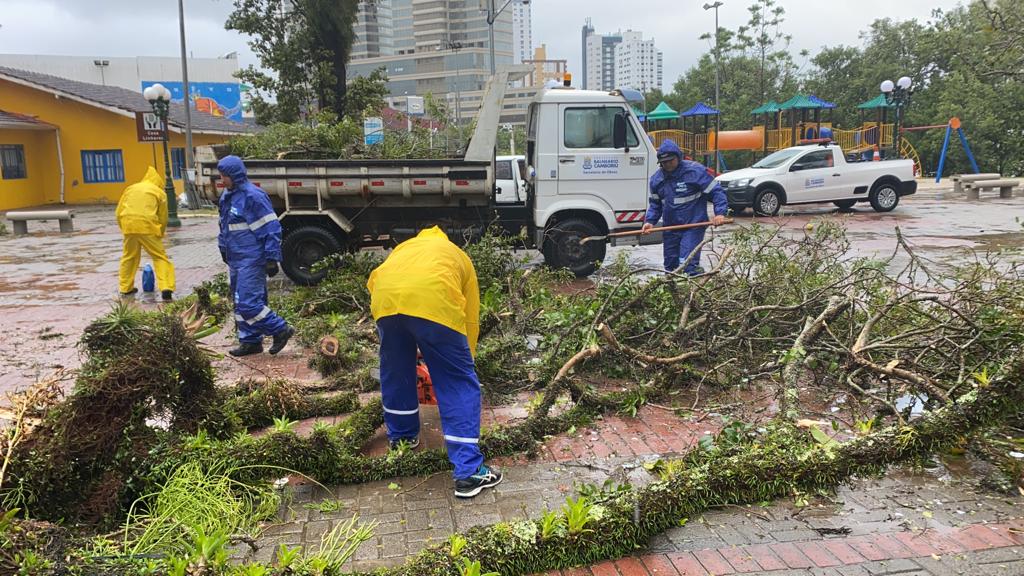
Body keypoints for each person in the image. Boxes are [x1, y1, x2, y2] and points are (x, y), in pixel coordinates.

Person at [366, 226, 502, 499]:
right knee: (457, 381)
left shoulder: (405, 249)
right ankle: (468, 472)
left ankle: (402, 439)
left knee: (395, 370)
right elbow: (470, 317)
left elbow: (374, 282)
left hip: (385, 301)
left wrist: (405, 333)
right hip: (434, 301)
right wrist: (465, 360)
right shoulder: (457, 254)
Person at [216, 155, 295, 357]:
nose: (221, 180)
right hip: (237, 258)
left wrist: (271, 257)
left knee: (248, 303)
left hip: (252, 259)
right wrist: (223, 248)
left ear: (234, 175)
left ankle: (280, 329)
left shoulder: (253, 197)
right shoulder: (228, 196)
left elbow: (270, 227)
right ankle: (250, 341)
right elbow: (224, 226)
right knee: (240, 302)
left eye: (224, 176)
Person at [641, 140, 728, 275]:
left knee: (687, 263)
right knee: (671, 267)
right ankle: (673, 293)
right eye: (664, 162)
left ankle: (693, 287)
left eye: (671, 160)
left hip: (693, 226)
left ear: (678, 157)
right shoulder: (656, 180)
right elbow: (655, 205)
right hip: (670, 228)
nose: (668, 164)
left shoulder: (695, 171)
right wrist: (649, 222)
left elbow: (716, 191)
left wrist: (720, 213)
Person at [117, 166, 176, 301]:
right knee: (159, 257)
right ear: (158, 183)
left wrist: (125, 228)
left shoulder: (131, 188)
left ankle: (125, 288)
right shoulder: (159, 192)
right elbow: (163, 217)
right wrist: (159, 232)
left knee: (129, 256)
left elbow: (118, 211)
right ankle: (166, 287)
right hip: (147, 226)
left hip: (129, 225)